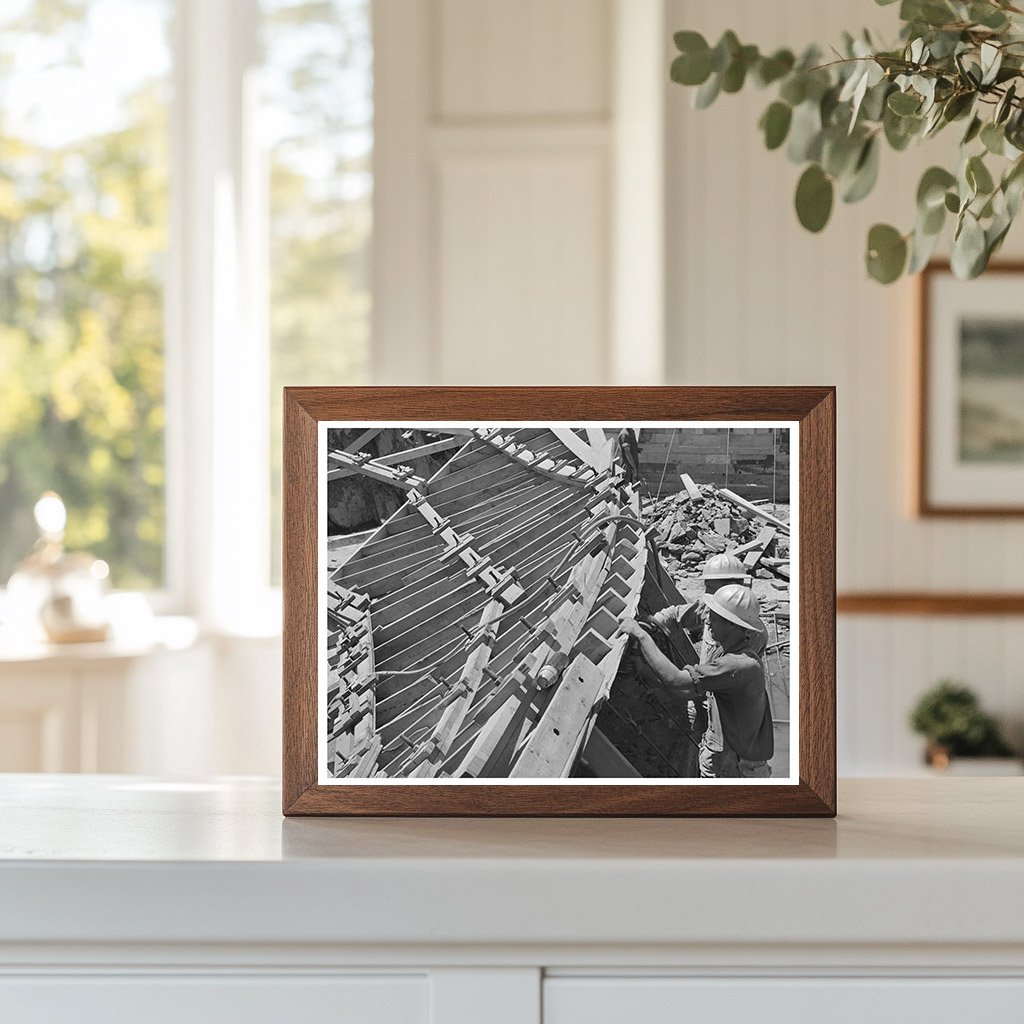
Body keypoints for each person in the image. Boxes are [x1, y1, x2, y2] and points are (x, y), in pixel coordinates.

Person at [620, 583, 774, 779]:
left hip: (737, 768)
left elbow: (676, 681)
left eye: (714, 618)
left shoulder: (737, 665)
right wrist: (645, 671)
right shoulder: (731, 654)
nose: (707, 621)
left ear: (732, 625)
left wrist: (641, 636)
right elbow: (684, 692)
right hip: (724, 758)